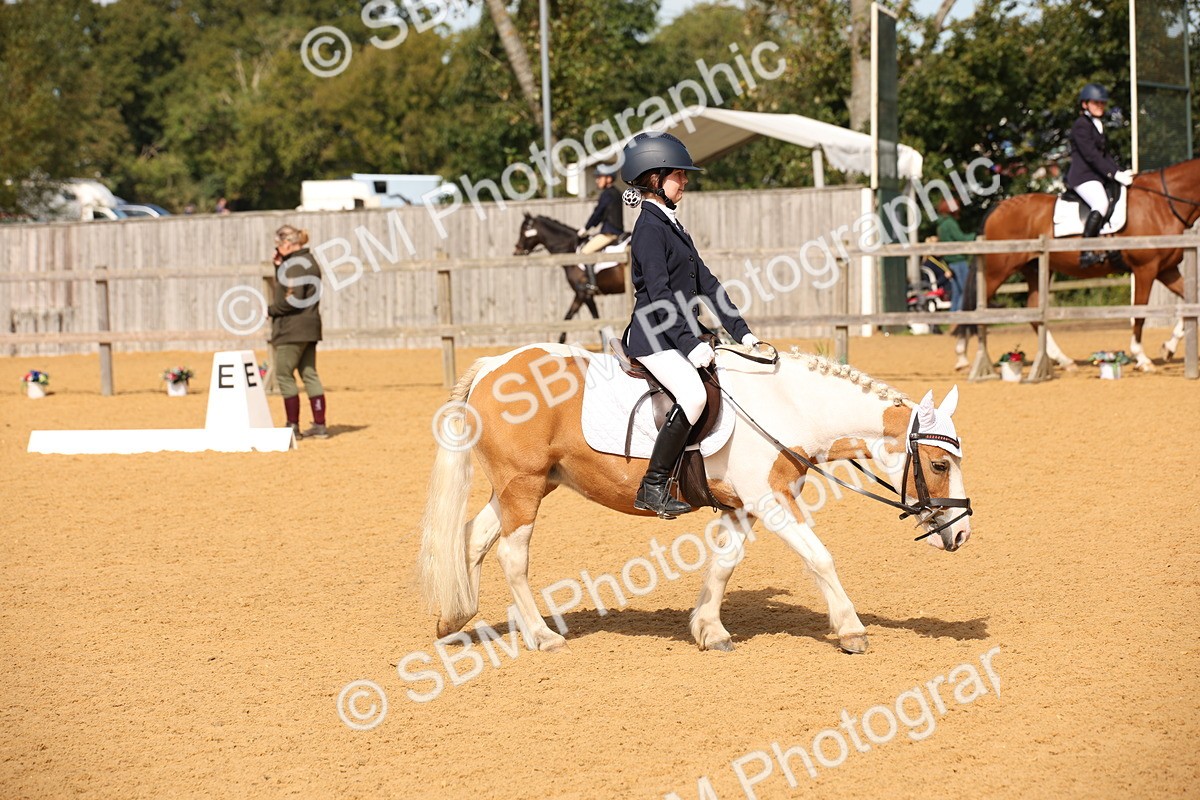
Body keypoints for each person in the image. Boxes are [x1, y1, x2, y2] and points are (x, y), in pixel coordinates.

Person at [620, 131, 760, 518]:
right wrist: (688, 342)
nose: (685, 181)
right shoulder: (648, 228)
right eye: (678, 175)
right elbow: (661, 296)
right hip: (653, 336)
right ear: (655, 179)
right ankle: (652, 486)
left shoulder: (672, 226)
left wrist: (743, 332)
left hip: (676, 332)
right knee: (694, 396)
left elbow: (708, 284)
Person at [268, 225, 328, 439]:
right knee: (309, 374)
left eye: (278, 245)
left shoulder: (295, 264)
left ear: (287, 243)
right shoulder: (309, 261)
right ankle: (320, 425)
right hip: (310, 327)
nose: (277, 249)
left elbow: (292, 298)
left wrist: (270, 310)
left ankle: (292, 425)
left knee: (284, 374)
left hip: (292, 329)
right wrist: (279, 267)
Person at [1065, 83, 1133, 266]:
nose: (1100, 106)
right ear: (1085, 104)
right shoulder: (1081, 125)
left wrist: (1119, 171)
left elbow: (1104, 155)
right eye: (1096, 103)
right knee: (1101, 203)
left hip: (1096, 175)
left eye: (1102, 103)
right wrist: (1113, 174)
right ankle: (1085, 252)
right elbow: (1091, 156)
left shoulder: (1097, 125)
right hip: (1083, 176)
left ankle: (1110, 242)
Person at [577, 163, 625, 291]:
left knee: (584, 253)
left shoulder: (607, 194)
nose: (597, 180)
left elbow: (598, 213)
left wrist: (585, 228)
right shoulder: (616, 193)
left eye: (600, 177)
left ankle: (592, 284)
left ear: (608, 178)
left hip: (609, 233)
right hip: (615, 231)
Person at [935, 199, 975, 312]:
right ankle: (960, 315)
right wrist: (975, 236)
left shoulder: (941, 225)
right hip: (958, 260)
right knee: (966, 290)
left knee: (957, 291)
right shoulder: (950, 223)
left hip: (950, 261)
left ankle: (952, 316)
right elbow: (960, 239)